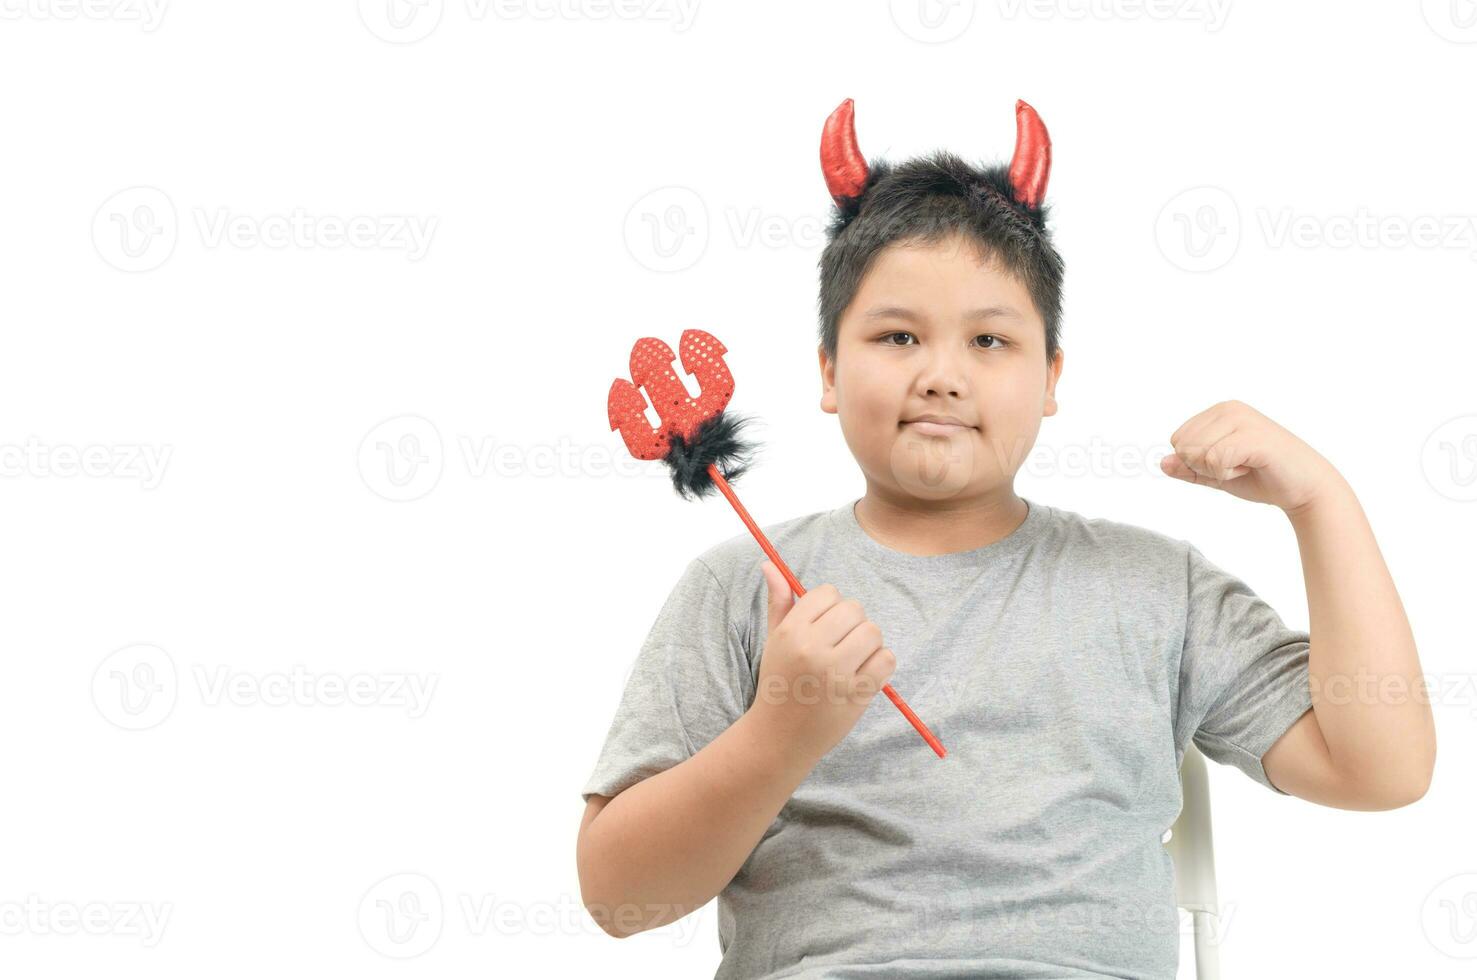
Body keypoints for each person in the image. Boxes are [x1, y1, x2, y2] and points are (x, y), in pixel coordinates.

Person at [575, 98, 1436, 979]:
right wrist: (781, 731)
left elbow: (1382, 771)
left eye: (989, 339)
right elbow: (616, 895)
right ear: (828, 370)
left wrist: (1321, 505)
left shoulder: (1152, 585)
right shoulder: (742, 589)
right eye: (897, 335)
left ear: (1050, 378)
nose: (942, 375)